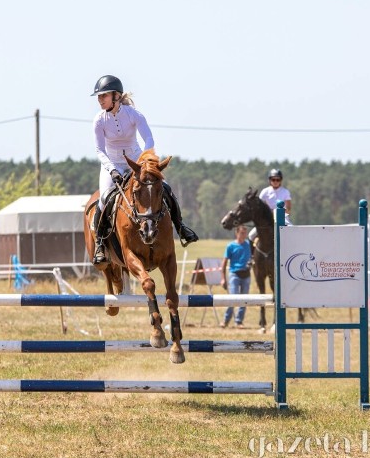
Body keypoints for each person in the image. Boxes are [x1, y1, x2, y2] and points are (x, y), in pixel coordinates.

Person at [89, 75, 197, 266]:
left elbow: (149, 140)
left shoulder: (133, 115)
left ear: (116, 96)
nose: (100, 100)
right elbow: (99, 150)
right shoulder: (99, 120)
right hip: (111, 163)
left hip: (136, 161)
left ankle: (181, 227)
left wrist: (145, 162)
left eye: (103, 96)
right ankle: (99, 244)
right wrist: (112, 169)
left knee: (166, 188)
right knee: (104, 199)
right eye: (99, 97)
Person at [219, 225, 252, 328]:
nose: (244, 235)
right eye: (242, 233)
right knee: (233, 298)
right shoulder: (230, 246)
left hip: (246, 275)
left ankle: (239, 321)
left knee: (244, 299)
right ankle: (225, 320)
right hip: (234, 275)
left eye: (245, 233)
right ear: (236, 233)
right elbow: (224, 263)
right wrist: (223, 278)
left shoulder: (248, 245)